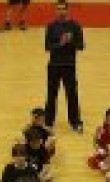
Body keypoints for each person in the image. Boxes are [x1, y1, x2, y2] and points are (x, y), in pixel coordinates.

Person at [44, 0, 84, 132]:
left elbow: (81, 46)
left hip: (69, 65)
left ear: (68, 10)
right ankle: (48, 122)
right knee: (51, 95)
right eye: (59, 9)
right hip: (54, 66)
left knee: (72, 94)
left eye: (63, 9)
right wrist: (60, 43)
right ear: (56, 10)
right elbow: (47, 46)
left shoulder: (75, 26)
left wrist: (71, 41)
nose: (61, 11)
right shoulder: (51, 26)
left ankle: (75, 122)